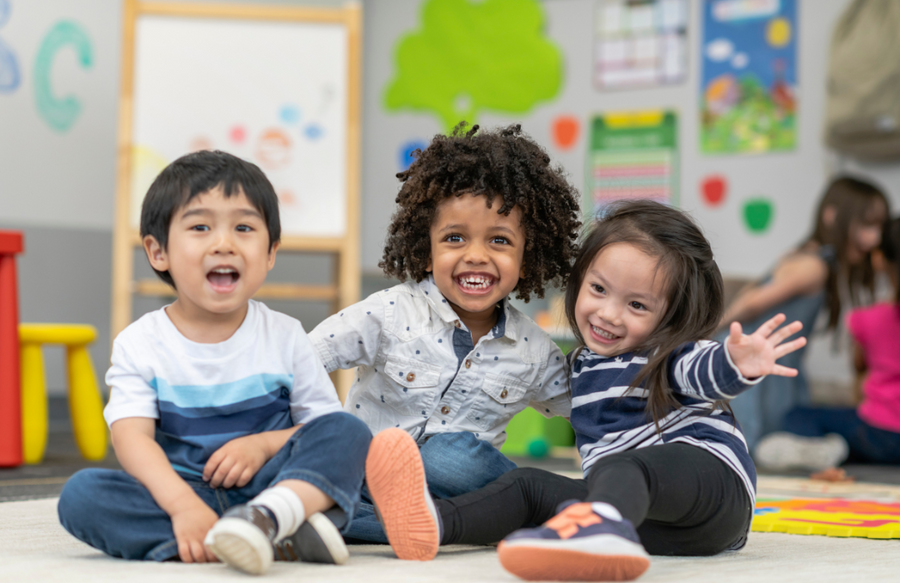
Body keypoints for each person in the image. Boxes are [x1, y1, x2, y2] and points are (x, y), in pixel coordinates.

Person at [361, 200, 808, 579]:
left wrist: (736, 364)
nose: (609, 314)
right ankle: (431, 525)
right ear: (578, 284)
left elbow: (703, 370)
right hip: (645, 521)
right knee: (528, 487)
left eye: (636, 305)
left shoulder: (663, 355)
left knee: (629, 466)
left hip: (712, 491)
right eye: (598, 289)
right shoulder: (578, 366)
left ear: (669, 318)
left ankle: (600, 532)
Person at [57, 150, 377, 576]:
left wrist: (262, 445)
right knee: (82, 496)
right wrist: (183, 506)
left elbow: (319, 428)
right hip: (185, 492)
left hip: (272, 485)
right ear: (158, 252)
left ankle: (267, 521)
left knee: (349, 429)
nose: (223, 243)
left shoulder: (285, 335)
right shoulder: (140, 342)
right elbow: (132, 439)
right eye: (200, 227)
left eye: (244, 228)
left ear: (270, 253)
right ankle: (252, 538)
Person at [308, 123, 582, 543]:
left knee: (448, 457)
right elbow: (303, 359)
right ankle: (417, 525)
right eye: (455, 238)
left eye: (499, 241)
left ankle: (539, 508)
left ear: (527, 258)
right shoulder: (389, 312)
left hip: (458, 486)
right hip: (363, 480)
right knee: (324, 491)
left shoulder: (534, 352)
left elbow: (587, 414)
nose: (476, 255)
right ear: (427, 247)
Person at [720, 176, 888, 451]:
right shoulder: (814, 266)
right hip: (752, 363)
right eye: (867, 225)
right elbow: (752, 301)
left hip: (770, 364)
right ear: (832, 216)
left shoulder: (809, 256)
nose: (874, 238)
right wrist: (705, 331)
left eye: (879, 227)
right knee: (753, 446)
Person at [755, 216, 900, 471]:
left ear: (879, 259)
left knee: (797, 415)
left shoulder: (868, 319)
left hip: (877, 433)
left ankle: (834, 450)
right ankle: (840, 450)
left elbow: (859, 368)